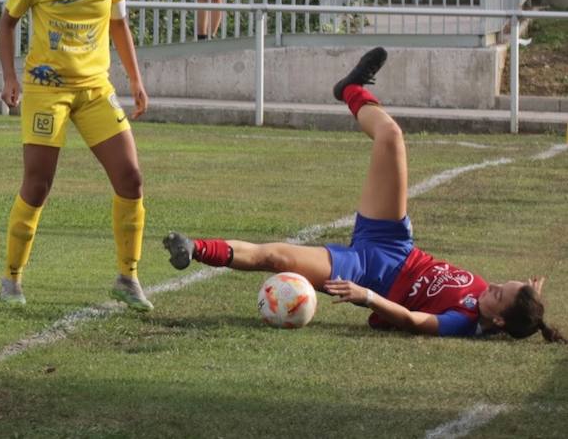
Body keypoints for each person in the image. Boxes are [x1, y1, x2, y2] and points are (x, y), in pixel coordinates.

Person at [164, 47, 566, 342]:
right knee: (391, 135)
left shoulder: (462, 323)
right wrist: (531, 302)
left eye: (498, 294)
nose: (491, 287)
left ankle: (194, 247)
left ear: (497, 321)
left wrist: (367, 296)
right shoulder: (508, 309)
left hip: (364, 270)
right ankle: (352, 89)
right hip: (394, 244)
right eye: (502, 283)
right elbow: (521, 314)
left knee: (277, 256)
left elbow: (412, 321)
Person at [0, 0, 154, 311]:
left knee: (131, 178)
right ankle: (11, 279)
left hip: (95, 90)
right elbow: (7, 24)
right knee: (38, 184)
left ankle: (128, 277)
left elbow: (119, 26)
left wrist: (135, 80)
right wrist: (10, 77)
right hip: (48, 91)